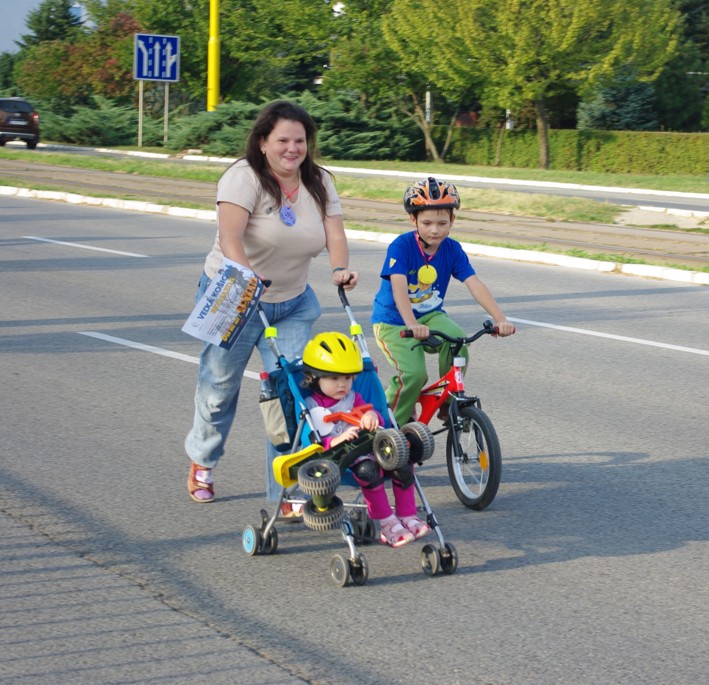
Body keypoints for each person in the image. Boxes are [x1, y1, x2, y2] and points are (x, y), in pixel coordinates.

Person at [185, 100, 359, 514]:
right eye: (282, 140)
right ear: (263, 142)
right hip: (234, 295)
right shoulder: (242, 178)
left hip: (294, 302)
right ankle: (203, 463)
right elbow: (230, 239)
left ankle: (288, 490)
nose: (292, 148)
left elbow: (335, 232)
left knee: (292, 396)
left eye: (299, 140)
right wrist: (248, 279)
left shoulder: (318, 181)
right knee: (218, 388)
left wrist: (340, 269)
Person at [371, 177, 516, 429]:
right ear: (413, 220)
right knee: (414, 375)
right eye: (426, 223)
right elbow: (398, 288)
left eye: (442, 223)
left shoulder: (452, 249)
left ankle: (448, 402)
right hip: (394, 322)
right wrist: (411, 323)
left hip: (431, 315)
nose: (434, 230)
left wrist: (500, 318)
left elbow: (474, 283)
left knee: (458, 341)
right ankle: (389, 424)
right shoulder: (401, 246)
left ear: (452, 221)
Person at [301, 331, 426, 547]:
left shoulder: (352, 397)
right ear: (315, 377)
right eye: (334, 378)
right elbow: (316, 445)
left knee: (404, 463)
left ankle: (407, 515)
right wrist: (338, 440)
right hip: (341, 460)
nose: (342, 384)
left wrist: (371, 416)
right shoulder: (313, 406)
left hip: (371, 448)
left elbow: (373, 414)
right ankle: (387, 523)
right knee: (368, 470)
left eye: (348, 378)